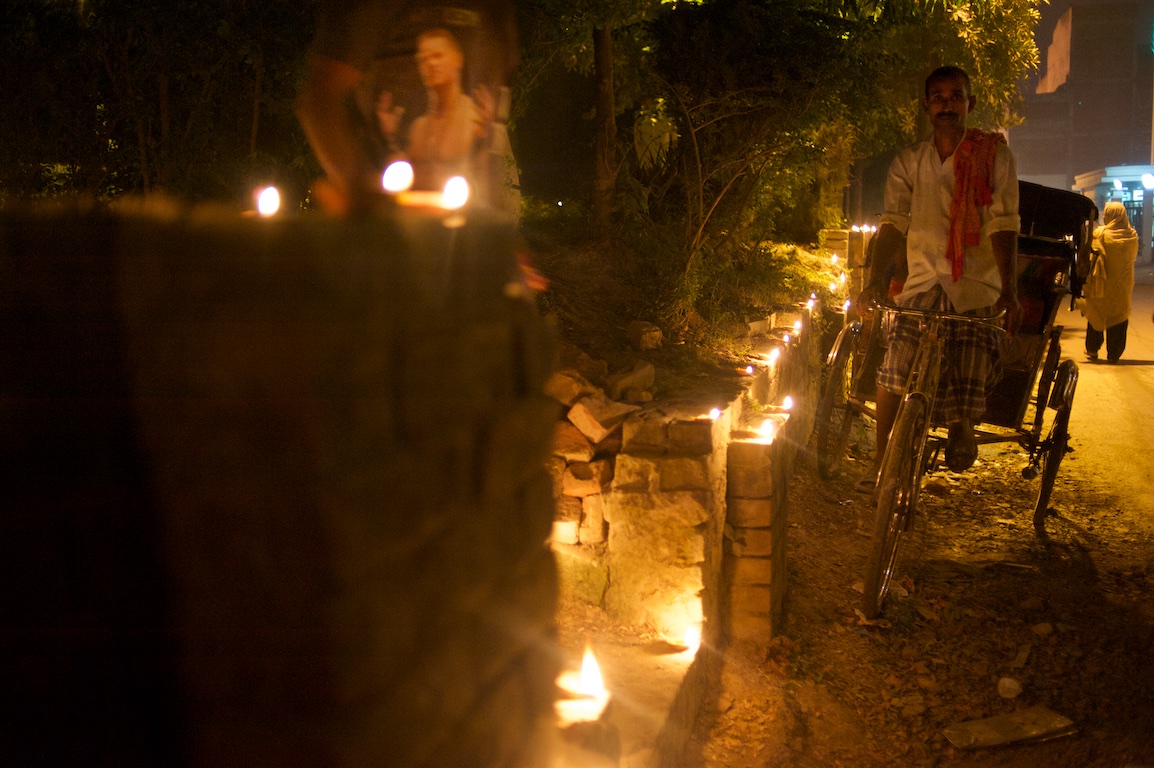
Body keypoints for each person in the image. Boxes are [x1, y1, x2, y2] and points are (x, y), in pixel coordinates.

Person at [859, 65, 1021, 486]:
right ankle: (882, 459)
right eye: (938, 97)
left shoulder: (995, 157)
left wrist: (1010, 292)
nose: (947, 104)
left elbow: (1003, 224)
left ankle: (962, 423)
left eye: (955, 96)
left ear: (971, 103)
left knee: (972, 351)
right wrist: (876, 281)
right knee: (894, 366)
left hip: (974, 283)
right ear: (927, 106)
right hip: (922, 283)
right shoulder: (909, 161)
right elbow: (893, 223)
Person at [295, 0, 519, 216]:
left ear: (457, 59)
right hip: (385, 230)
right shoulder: (420, 127)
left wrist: (501, 231)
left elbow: (492, 143)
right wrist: (359, 190)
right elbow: (321, 99)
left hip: (472, 233)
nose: (430, 64)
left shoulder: (496, 8)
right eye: (423, 58)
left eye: (438, 56)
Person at [1077, 201, 1138, 363]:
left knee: (1097, 312)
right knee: (1119, 315)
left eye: (1106, 214)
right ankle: (1114, 353)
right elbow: (1131, 258)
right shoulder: (1132, 236)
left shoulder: (1100, 234)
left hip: (1101, 284)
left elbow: (1090, 255)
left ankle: (1092, 348)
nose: (1104, 216)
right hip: (1122, 284)